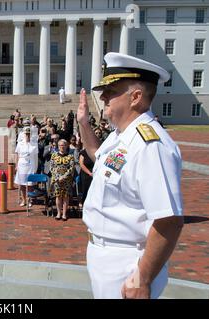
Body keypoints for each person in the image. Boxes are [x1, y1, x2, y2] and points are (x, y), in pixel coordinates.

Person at [77, 52, 183, 299]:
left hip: (127, 262)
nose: (103, 96)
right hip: (105, 255)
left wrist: (142, 278)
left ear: (135, 97)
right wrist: (83, 123)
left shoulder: (150, 145)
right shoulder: (121, 135)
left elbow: (169, 220)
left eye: (111, 91)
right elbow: (99, 157)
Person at [50, 139, 75, 221]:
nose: (62, 147)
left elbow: (71, 168)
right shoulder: (54, 155)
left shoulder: (70, 156)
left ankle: (64, 213)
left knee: (65, 196)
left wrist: (63, 176)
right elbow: (51, 167)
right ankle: (58, 213)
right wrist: (57, 177)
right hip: (56, 179)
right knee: (58, 196)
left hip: (66, 179)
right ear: (58, 146)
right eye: (60, 145)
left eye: (63, 145)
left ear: (66, 146)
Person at [14, 127, 38, 207]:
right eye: (26, 134)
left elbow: (36, 156)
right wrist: (16, 165)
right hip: (22, 165)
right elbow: (17, 154)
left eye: (29, 134)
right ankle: (24, 200)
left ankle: (30, 199)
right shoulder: (20, 144)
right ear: (24, 134)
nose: (27, 135)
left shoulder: (34, 144)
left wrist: (35, 167)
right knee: (22, 184)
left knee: (30, 184)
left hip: (31, 165)